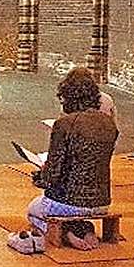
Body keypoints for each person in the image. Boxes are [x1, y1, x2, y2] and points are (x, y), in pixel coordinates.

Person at [27, 67, 119, 250]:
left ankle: (67, 234)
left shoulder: (64, 124)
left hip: (69, 201)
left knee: (33, 211)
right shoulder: (109, 124)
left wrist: (39, 177)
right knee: (81, 211)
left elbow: (52, 174)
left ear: (66, 96)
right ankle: (86, 230)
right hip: (102, 202)